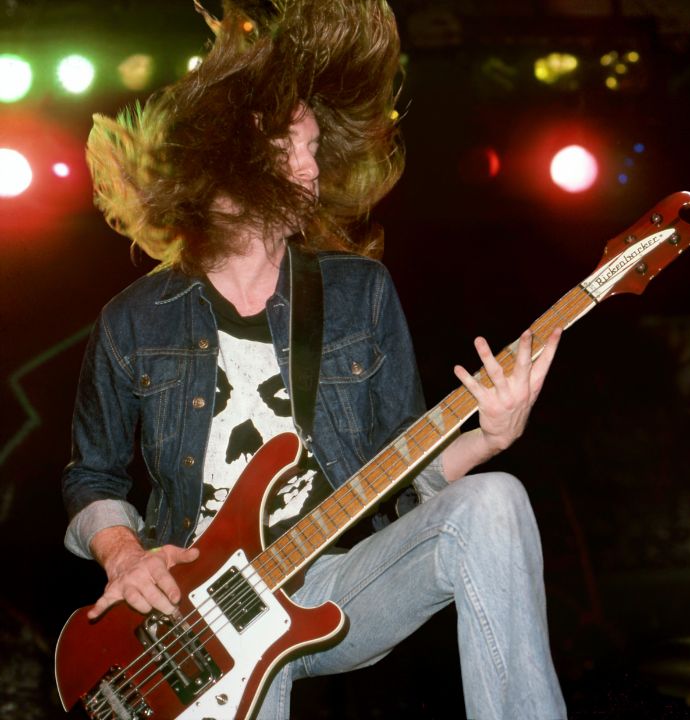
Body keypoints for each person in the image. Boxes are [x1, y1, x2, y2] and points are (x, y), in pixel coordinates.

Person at [60, 1, 566, 718]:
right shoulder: (135, 320)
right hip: (197, 617)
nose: (313, 167)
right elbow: (92, 474)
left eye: (315, 146)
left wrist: (491, 435)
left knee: (495, 503)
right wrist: (124, 554)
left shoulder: (359, 294)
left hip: (332, 576)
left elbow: (399, 473)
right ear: (228, 168)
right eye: (290, 149)